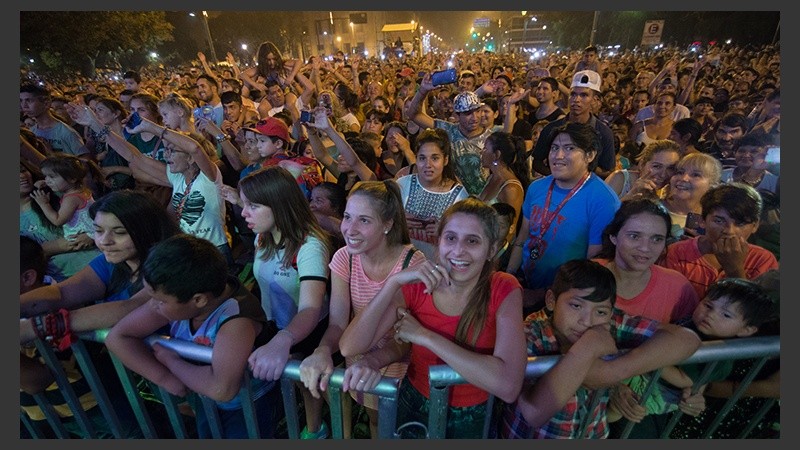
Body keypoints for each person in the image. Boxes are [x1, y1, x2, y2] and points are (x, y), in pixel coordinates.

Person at [340, 197, 527, 438]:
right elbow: (349, 346)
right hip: (415, 403)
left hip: (474, 414)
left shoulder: (503, 288)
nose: (458, 251)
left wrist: (424, 336)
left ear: (491, 249)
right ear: (437, 243)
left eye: (472, 241)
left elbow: (508, 385)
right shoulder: (418, 286)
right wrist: (393, 282)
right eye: (450, 238)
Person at [495, 259, 701, 439]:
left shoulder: (610, 324)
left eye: (600, 311)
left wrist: (616, 370)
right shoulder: (529, 334)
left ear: (611, 311)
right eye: (575, 306)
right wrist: (589, 346)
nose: (587, 321)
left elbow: (686, 339)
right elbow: (534, 413)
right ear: (551, 301)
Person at [105, 234, 281, 439]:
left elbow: (222, 389)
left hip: (249, 405)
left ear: (198, 300)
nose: (153, 306)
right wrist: (165, 378)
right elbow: (117, 338)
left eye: (160, 301)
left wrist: (172, 363)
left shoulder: (235, 322)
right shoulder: (181, 294)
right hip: (205, 398)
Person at [299, 181, 426, 439]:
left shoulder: (412, 264)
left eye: (364, 221)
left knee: (400, 426)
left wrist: (374, 360)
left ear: (388, 224)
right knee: (376, 421)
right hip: (359, 358)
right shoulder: (345, 258)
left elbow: (407, 338)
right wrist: (323, 350)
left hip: (400, 365)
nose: (350, 229)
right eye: (347, 217)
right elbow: (337, 323)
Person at [66, 102, 234, 268]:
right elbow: (134, 156)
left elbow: (195, 148)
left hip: (214, 251)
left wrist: (151, 127)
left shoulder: (209, 176)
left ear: (190, 158)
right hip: (187, 250)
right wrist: (95, 124)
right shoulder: (177, 178)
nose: (166, 155)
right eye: (166, 149)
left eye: (172, 151)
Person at [608, 277, 777, 438]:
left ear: (746, 330)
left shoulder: (721, 356)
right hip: (646, 376)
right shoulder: (691, 324)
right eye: (708, 305)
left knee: (624, 413)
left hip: (659, 393)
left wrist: (650, 358)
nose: (710, 314)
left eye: (726, 315)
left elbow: (685, 380)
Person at [238, 166, 333, 440]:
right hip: (277, 326)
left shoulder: (310, 246)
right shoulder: (262, 235)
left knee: (313, 386)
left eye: (252, 205)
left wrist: (283, 340)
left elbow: (310, 309)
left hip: (307, 330)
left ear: (278, 204)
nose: (244, 212)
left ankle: (317, 430)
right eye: (244, 204)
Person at [506, 122, 620, 312]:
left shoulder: (603, 200)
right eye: (554, 148)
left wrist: (543, 295)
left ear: (589, 155)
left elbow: (591, 267)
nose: (558, 156)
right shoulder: (537, 187)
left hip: (566, 297)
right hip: (524, 281)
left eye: (569, 148)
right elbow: (522, 239)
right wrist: (509, 278)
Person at [661, 183, 778, 301]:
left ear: (755, 225)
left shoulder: (762, 260)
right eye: (719, 221)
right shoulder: (678, 252)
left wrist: (734, 270)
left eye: (740, 223)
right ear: (703, 220)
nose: (729, 231)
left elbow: (754, 313)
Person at [405, 74, 504, 196]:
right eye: (468, 113)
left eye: (477, 111)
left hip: (484, 201)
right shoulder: (447, 130)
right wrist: (423, 90)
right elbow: (413, 115)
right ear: (457, 115)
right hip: (454, 198)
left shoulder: (492, 138)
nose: (475, 118)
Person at [21, 159, 101, 282]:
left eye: (23, 170)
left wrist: (93, 235)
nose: (22, 176)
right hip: (63, 278)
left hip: (95, 263)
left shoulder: (56, 194)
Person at [395, 128, 469, 260]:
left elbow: (466, 238)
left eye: (435, 158)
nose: (428, 165)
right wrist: (398, 222)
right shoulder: (402, 184)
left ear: (445, 160)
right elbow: (382, 224)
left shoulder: (459, 195)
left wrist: (444, 232)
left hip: (439, 269)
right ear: (416, 159)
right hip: (400, 264)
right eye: (422, 158)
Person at [530, 70, 616, 179]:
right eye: (573, 94)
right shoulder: (551, 128)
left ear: (595, 100)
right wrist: (558, 176)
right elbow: (537, 162)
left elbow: (608, 171)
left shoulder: (604, 133)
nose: (576, 100)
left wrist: (582, 170)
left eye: (584, 95)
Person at [31, 155, 97, 249]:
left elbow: (58, 221)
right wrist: (47, 182)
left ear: (72, 178)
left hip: (79, 238)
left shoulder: (71, 199)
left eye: (52, 177)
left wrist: (44, 204)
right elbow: (62, 182)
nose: (47, 180)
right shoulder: (79, 189)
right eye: (45, 176)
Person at [477, 131, 530, 240]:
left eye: (485, 149)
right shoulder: (491, 178)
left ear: (497, 155)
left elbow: (511, 231)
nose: (481, 152)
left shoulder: (511, 188)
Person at [660, 152, 722, 241]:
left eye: (696, 175)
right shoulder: (652, 208)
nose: (684, 178)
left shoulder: (714, 222)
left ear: (712, 186)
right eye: (680, 172)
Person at [20, 83, 87, 158]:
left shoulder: (67, 132)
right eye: (21, 101)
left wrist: (51, 153)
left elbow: (85, 164)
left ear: (46, 103)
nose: (24, 106)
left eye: (29, 101)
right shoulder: (32, 132)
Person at [604, 139, 681, 201]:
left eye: (671, 168)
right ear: (641, 164)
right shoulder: (620, 179)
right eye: (656, 166)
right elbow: (598, 215)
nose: (663, 174)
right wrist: (629, 197)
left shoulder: (670, 192)